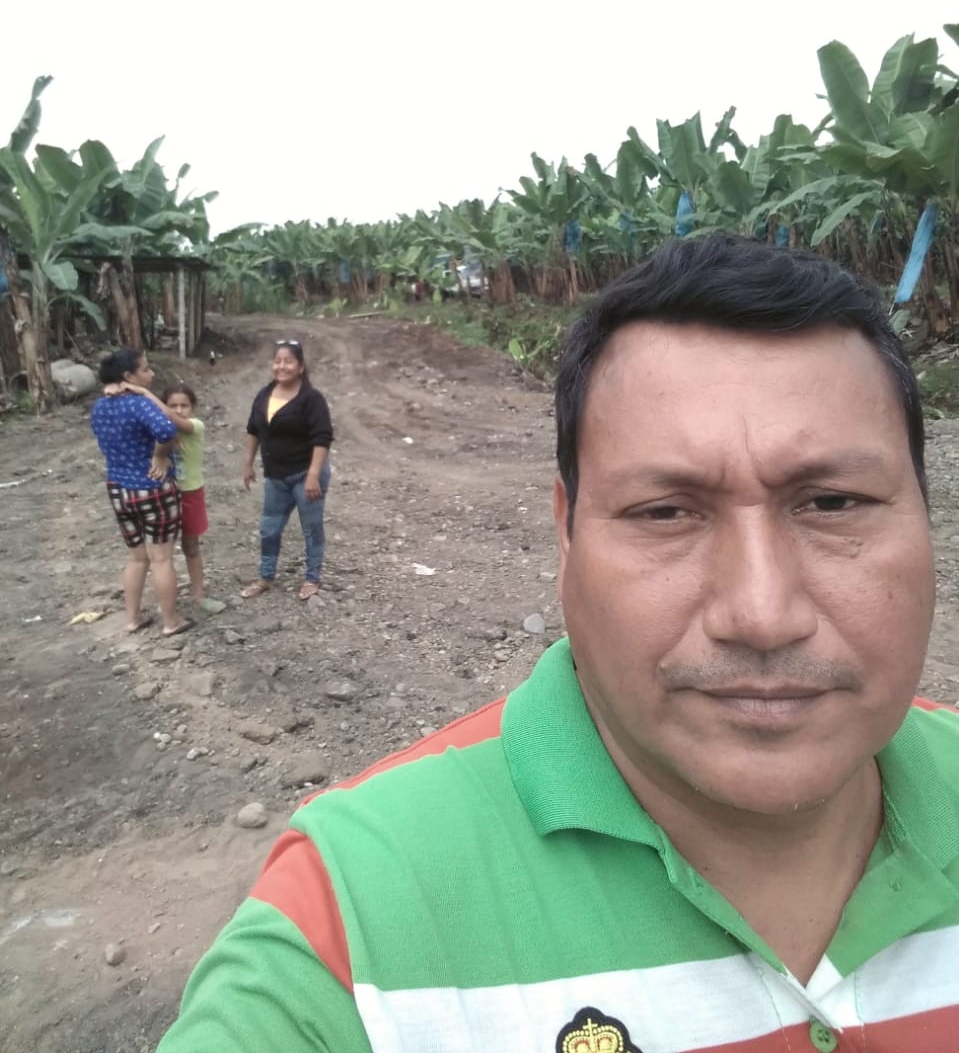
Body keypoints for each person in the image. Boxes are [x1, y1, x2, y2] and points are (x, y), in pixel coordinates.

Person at [157, 235, 959, 1051]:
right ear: (565, 535)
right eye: (664, 512)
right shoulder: (353, 922)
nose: (761, 614)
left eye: (831, 503)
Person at [90, 348, 191, 638]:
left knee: (137, 558)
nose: (152, 373)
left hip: (118, 489)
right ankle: (171, 621)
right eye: (146, 369)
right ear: (128, 376)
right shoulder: (139, 404)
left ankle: (132, 618)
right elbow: (167, 431)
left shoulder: (100, 406)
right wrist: (160, 456)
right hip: (152, 489)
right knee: (161, 558)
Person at [241, 339, 334, 601]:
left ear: (301, 367)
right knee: (269, 528)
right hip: (275, 477)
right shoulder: (264, 395)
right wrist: (248, 463)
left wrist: (313, 475)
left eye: (288, 361)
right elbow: (253, 430)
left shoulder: (311, 399)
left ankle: (312, 578)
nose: (282, 366)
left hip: (306, 475)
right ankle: (265, 576)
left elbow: (322, 438)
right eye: (277, 361)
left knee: (311, 528)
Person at [161, 382, 226, 616]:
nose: (179, 410)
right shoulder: (159, 429)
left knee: (191, 546)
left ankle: (198, 595)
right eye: (173, 405)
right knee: (162, 553)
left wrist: (143, 394)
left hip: (190, 493)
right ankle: (166, 599)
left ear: (193, 407)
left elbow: (175, 421)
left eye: (184, 405)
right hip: (165, 493)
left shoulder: (195, 426)